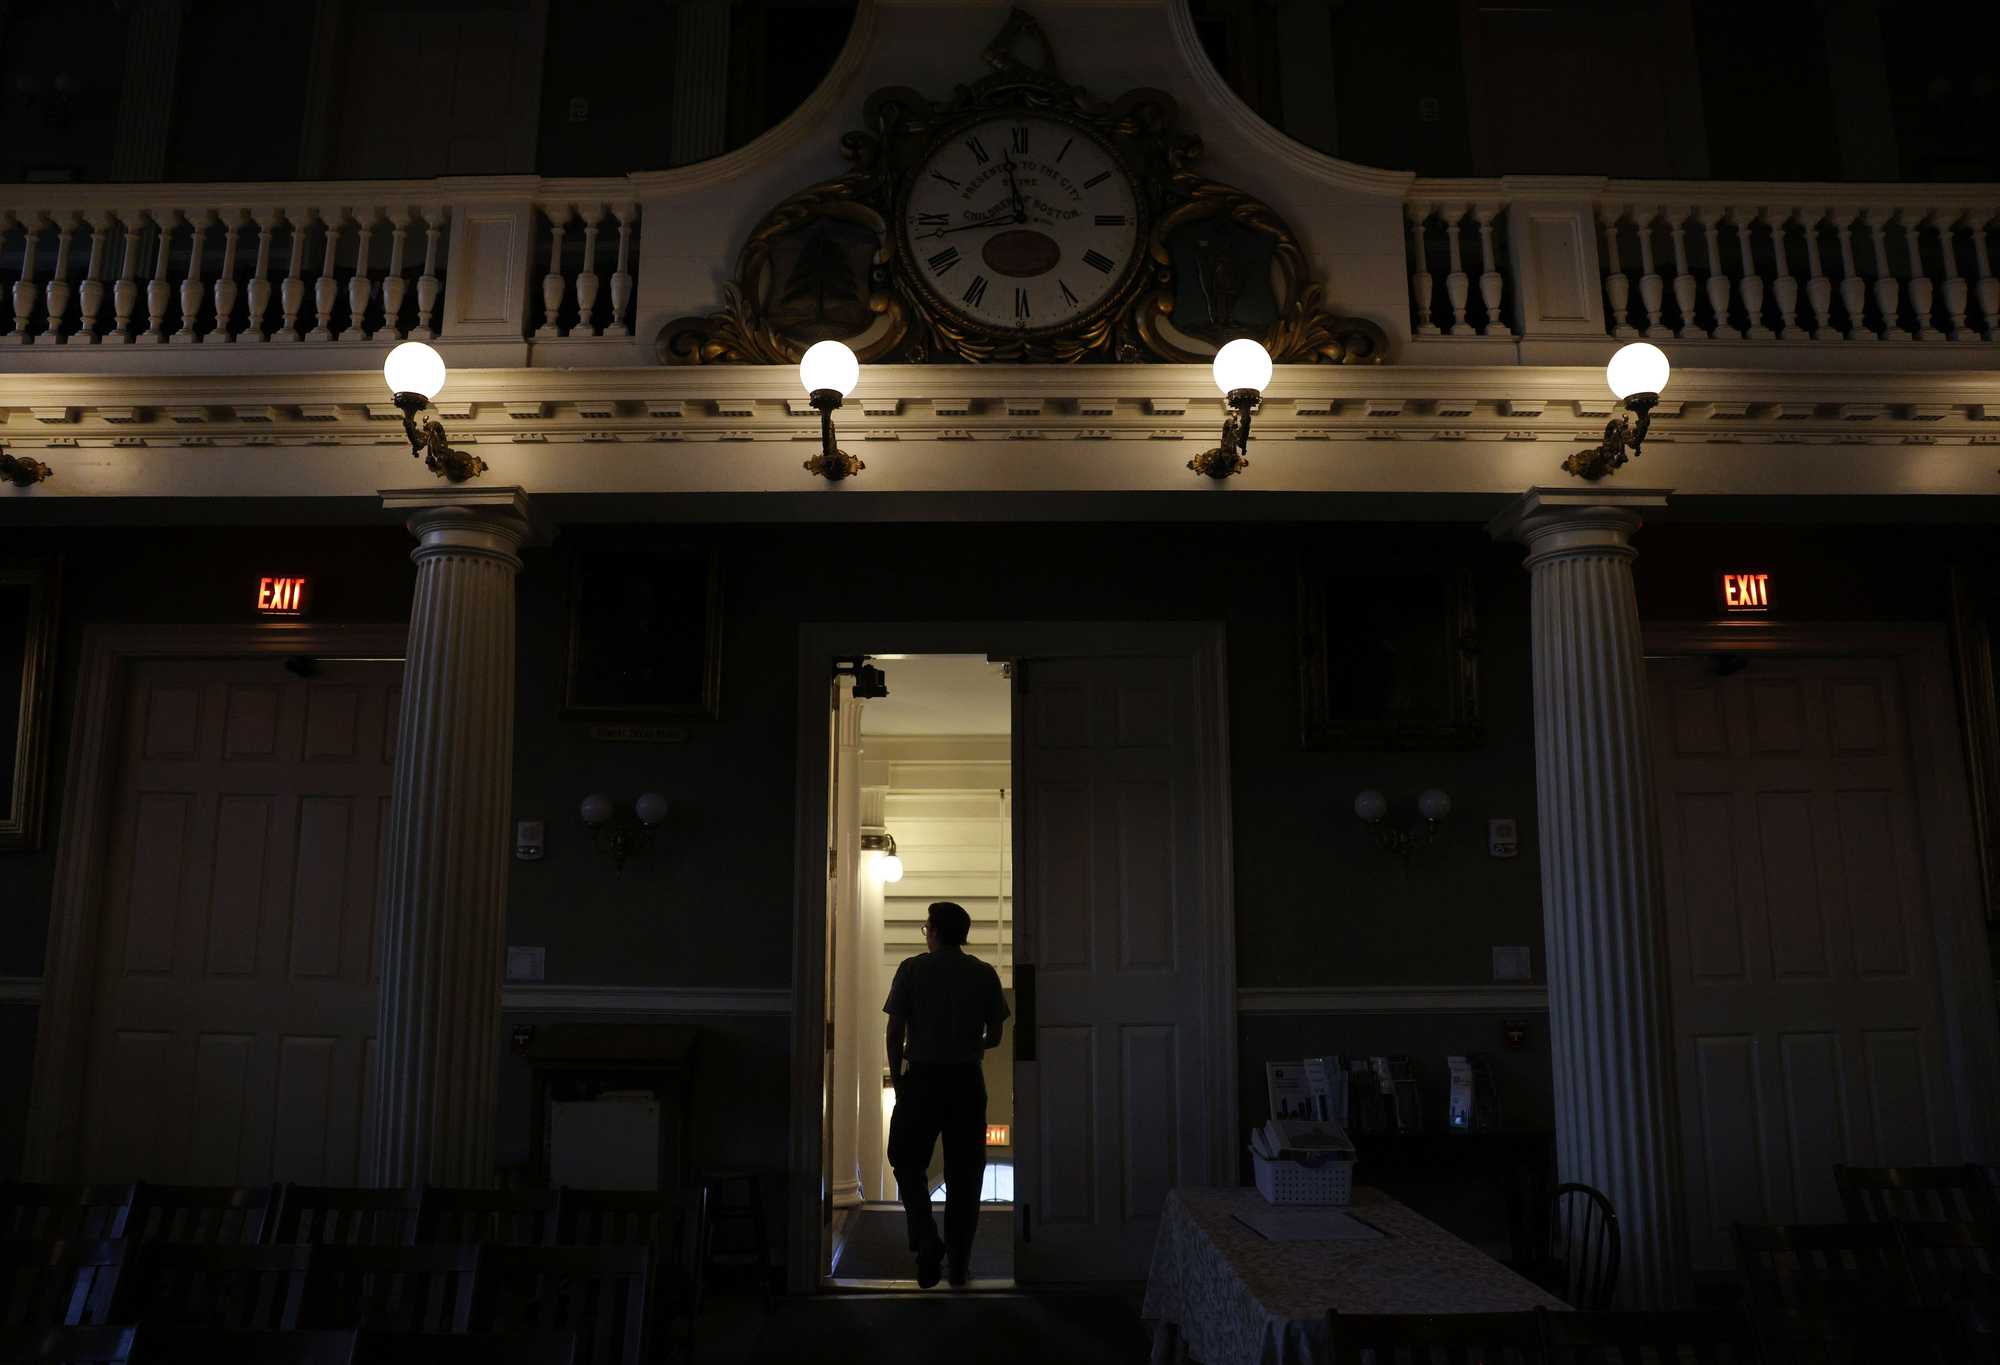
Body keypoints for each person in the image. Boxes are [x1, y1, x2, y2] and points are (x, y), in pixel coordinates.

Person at [883, 900, 1009, 1288]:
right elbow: (997, 1036)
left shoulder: (912, 969)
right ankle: (958, 1264)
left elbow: (894, 1031)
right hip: (967, 1082)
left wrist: (901, 1076)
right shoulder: (984, 974)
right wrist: (969, 1045)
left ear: (933, 931)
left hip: (921, 1078)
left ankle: (925, 1238)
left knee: (905, 1158)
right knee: (965, 1175)